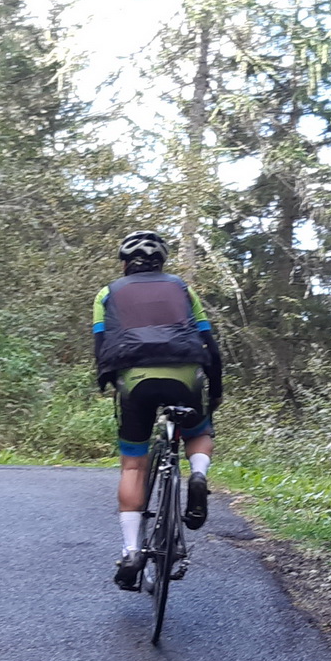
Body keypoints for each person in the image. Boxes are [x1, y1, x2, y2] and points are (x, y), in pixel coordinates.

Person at [92, 231, 222, 590]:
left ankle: (131, 551)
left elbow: (101, 346)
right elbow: (209, 344)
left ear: (125, 264)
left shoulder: (107, 293)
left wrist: (110, 382)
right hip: (185, 372)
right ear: (162, 263)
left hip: (135, 380)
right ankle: (198, 475)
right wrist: (216, 391)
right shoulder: (182, 288)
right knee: (199, 431)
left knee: (134, 465)